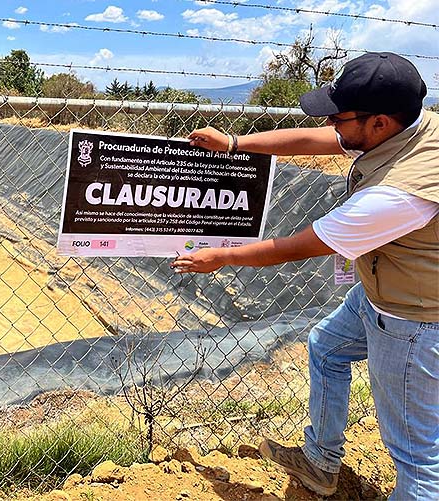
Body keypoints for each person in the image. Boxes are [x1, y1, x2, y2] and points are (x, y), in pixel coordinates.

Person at [174, 52, 439, 500]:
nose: (333, 123)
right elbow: (318, 140)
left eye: (341, 116)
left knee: (417, 458)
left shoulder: (397, 195)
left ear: (379, 124)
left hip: (413, 319)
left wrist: (220, 256)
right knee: (327, 346)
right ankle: (320, 464)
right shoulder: (413, 125)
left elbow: (297, 247)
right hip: (384, 290)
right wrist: (237, 144)